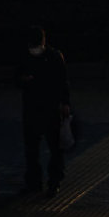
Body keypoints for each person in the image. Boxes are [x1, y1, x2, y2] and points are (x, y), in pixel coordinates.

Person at [18, 25, 71, 196]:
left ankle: (39, 182)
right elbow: (63, 82)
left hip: (38, 107)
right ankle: (51, 182)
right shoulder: (54, 56)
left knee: (37, 148)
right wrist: (65, 102)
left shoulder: (30, 56)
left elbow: (62, 81)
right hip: (47, 107)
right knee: (50, 148)